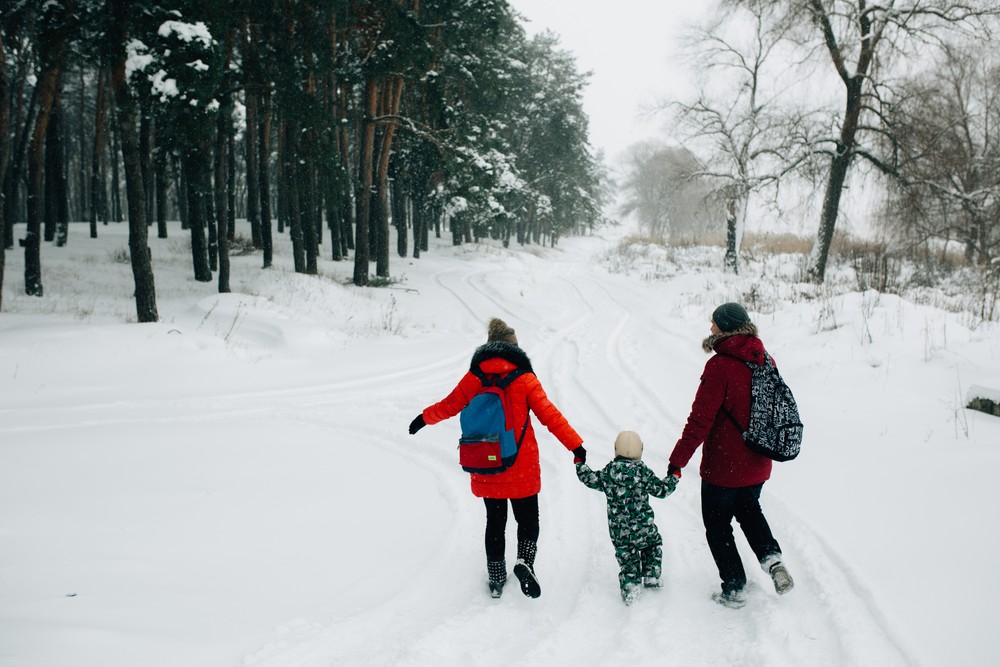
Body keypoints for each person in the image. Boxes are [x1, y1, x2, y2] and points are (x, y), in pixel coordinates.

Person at [408, 317, 585, 600]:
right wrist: (576, 446)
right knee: (528, 518)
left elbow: (450, 405)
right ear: (514, 348)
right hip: (521, 464)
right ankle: (525, 561)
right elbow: (550, 417)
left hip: (486, 461)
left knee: (495, 521)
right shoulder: (525, 380)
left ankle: (496, 578)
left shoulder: (474, 378)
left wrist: (423, 419)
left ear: (490, 346)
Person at [667, 302, 794, 609]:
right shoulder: (765, 359)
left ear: (725, 328)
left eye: (714, 324)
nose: (710, 328)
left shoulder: (719, 366)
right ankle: (772, 559)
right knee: (750, 511)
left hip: (724, 467)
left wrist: (677, 462)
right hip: (759, 461)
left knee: (718, 525)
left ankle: (734, 587)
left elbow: (700, 421)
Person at [575, 430, 677, 605]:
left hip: (619, 531)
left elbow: (590, 478)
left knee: (627, 557)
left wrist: (579, 463)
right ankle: (651, 574)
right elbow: (661, 490)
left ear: (616, 449)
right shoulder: (642, 472)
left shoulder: (609, 472)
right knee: (652, 544)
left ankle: (631, 586)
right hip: (644, 527)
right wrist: (673, 476)